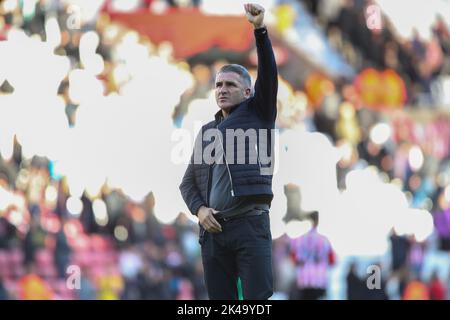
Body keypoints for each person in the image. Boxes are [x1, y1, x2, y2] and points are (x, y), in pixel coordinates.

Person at [179, 3, 278, 300]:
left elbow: (269, 75)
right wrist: (200, 209)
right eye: (218, 84)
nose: (222, 89)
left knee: (257, 301)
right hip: (214, 233)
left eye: (230, 85)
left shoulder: (259, 113)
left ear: (247, 92)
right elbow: (187, 184)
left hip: (250, 225)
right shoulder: (208, 131)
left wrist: (260, 31)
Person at [289, 212, 335, 300]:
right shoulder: (324, 240)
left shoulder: (298, 240)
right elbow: (332, 261)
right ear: (318, 221)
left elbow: (293, 260)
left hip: (304, 281)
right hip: (320, 281)